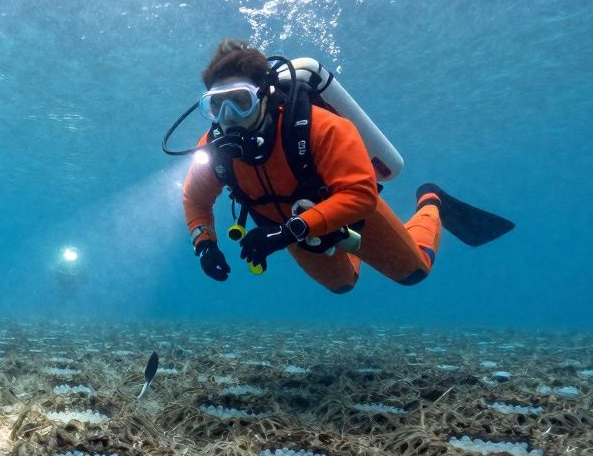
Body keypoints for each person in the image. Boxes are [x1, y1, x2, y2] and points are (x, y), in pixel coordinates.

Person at [177, 39, 512, 292]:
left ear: (264, 94)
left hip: (344, 216)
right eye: (216, 106)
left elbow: (362, 194)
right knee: (343, 285)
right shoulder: (214, 149)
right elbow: (195, 199)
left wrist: (288, 231)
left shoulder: (319, 127)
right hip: (291, 230)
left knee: (414, 272)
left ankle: (431, 200)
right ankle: (342, 244)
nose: (228, 118)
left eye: (240, 102)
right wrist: (204, 245)